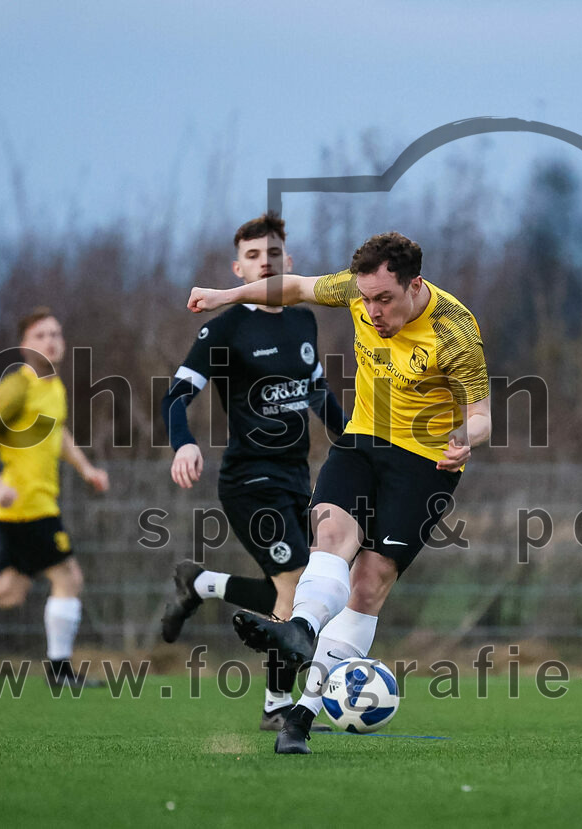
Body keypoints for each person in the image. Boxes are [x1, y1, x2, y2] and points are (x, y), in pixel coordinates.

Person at [187, 231, 491, 753]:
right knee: (330, 534)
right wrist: (226, 296)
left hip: (425, 463)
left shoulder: (454, 329)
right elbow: (297, 288)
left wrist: (464, 439)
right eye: (365, 298)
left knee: (367, 585)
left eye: (384, 299)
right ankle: (300, 628)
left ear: (414, 285)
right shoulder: (354, 290)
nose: (371, 310)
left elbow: (482, 415)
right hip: (362, 441)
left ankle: (300, 718)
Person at [160, 212, 346, 731]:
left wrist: (356, 441)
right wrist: (183, 444)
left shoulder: (302, 319)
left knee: (298, 589)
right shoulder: (225, 328)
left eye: (274, 253)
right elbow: (176, 396)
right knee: (296, 581)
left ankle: (203, 585)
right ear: (237, 269)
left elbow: (317, 395)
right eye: (254, 255)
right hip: (248, 479)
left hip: (294, 476)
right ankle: (275, 706)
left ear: (290, 262)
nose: (266, 261)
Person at [0, 308, 110, 689]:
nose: (51, 341)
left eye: (56, 333)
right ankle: (60, 672)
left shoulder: (53, 387)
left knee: (8, 593)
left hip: (36, 504)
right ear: (23, 346)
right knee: (69, 577)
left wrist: (86, 469)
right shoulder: (17, 386)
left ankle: (59, 671)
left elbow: (59, 434)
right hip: (25, 505)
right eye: (40, 335)